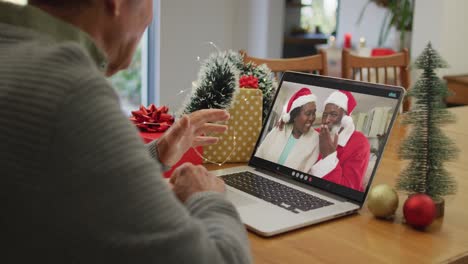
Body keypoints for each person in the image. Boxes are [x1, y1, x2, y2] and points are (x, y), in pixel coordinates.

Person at [0, 1, 251, 263]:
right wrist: (205, 195)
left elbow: (67, 171)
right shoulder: (70, 91)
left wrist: (156, 154)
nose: (150, 17)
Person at [309, 90, 370, 191]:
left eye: (333, 114)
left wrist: (328, 156)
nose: (327, 119)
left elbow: (348, 189)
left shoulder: (360, 143)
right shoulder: (316, 133)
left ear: (346, 119)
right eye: (325, 115)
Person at [256, 88, 320, 172]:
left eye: (314, 113)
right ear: (294, 116)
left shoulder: (315, 139)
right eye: (308, 113)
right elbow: (259, 157)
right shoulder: (280, 129)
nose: (312, 118)